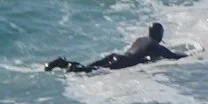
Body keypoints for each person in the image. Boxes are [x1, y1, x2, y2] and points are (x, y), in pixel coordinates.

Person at [46, 22, 187, 74]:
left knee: (89, 67)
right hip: (122, 62)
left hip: (116, 56)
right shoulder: (155, 45)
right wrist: (194, 55)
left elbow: (142, 55)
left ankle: (62, 62)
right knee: (89, 71)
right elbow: (173, 56)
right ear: (159, 34)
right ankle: (69, 65)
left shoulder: (141, 39)